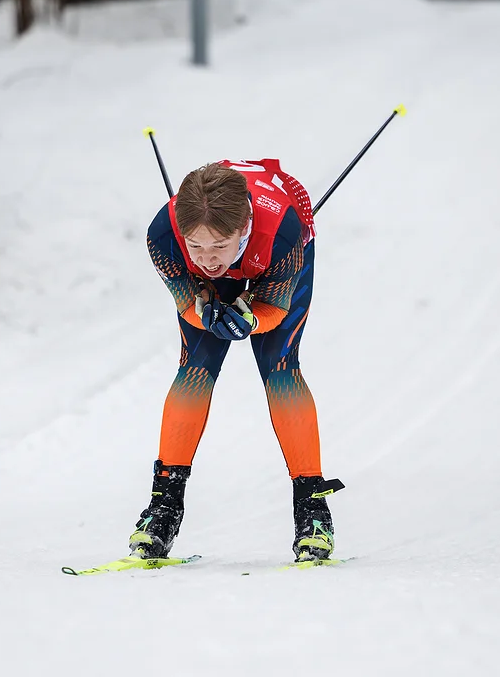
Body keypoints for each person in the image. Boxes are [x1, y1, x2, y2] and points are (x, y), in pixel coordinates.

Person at [129, 158, 345, 562]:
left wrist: (249, 319)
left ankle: (313, 509)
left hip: (274, 250)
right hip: (229, 260)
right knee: (195, 366)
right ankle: (164, 507)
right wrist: (205, 309)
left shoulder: (282, 231)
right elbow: (188, 303)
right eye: (196, 246)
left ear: (242, 229)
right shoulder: (163, 235)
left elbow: (275, 313)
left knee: (281, 367)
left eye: (219, 246)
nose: (208, 259)